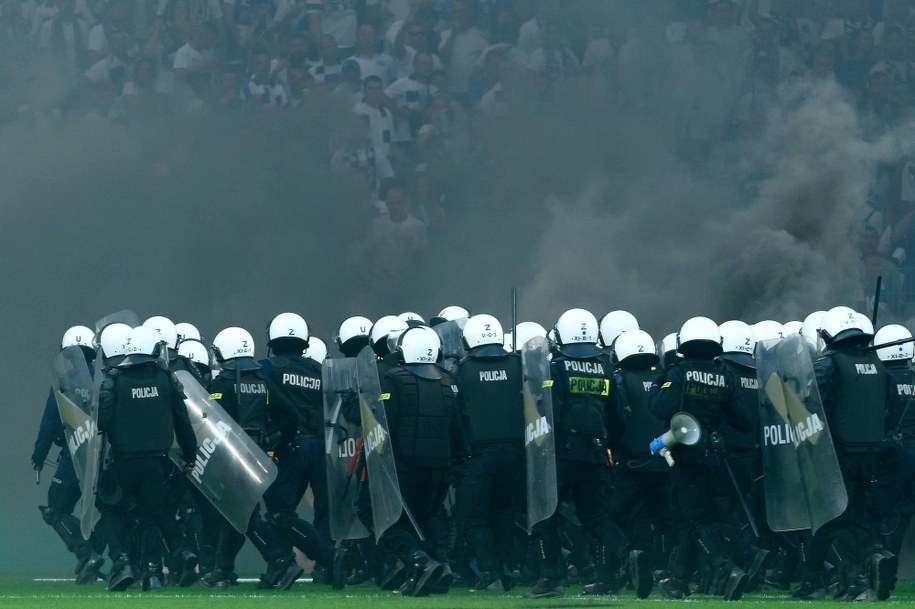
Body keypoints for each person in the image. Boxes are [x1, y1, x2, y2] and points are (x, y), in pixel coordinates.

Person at [526, 308, 651, 599]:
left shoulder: (555, 368)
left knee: (546, 517)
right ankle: (629, 553)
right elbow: (618, 418)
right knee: (596, 517)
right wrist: (611, 449)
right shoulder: (606, 368)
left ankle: (549, 580)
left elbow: (549, 414)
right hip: (595, 453)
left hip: (560, 455)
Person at [650, 316, 759, 601]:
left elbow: (659, 407)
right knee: (711, 515)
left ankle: (727, 568)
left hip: (686, 457)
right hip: (716, 456)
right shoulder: (726, 375)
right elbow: (744, 421)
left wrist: (661, 379)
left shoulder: (678, 372)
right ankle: (678, 580)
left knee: (693, 519)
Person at [201, 326, 318, 591]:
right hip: (259, 455)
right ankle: (224, 569)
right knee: (235, 515)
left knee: (245, 517)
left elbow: (211, 421)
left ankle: (281, 560)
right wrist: (277, 440)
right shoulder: (263, 381)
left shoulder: (222, 382)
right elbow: (290, 416)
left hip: (231, 457)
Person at [793, 306, 890, 601]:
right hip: (870, 454)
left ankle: (857, 578)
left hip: (837, 455)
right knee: (845, 519)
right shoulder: (876, 363)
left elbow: (811, 403)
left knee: (835, 519)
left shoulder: (831, 362)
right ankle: (814, 581)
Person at [96, 325, 198, 592]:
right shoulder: (166, 379)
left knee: (111, 510)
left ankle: (122, 563)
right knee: (151, 516)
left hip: (123, 461)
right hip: (157, 462)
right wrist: (190, 454)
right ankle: (153, 573)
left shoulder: (114, 381)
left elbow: (101, 423)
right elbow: (182, 420)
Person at [378, 325, 467, 596]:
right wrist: (461, 459)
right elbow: (457, 428)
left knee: (391, 521)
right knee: (429, 516)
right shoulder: (446, 380)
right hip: (440, 467)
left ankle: (419, 562)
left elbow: (385, 423)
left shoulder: (393, 379)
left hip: (405, 466)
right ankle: (441, 567)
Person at [258, 312, 345, 588]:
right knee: (323, 510)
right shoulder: (320, 370)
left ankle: (322, 559)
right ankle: (321, 569)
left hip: (288, 448)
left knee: (280, 512)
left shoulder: (268, 368)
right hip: (320, 447)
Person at [453, 314, 523, 592]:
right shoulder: (518, 366)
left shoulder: (463, 371)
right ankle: (507, 569)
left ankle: (489, 572)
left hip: (479, 455)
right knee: (503, 512)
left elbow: (457, 416)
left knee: (473, 517)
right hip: (516, 454)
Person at [34, 325, 105, 585]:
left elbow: (51, 421)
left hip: (75, 452)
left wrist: (39, 453)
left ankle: (88, 553)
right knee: (112, 511)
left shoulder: (64, 382)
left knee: (56, 508)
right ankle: (122, 560)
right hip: (108, 455)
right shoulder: (106, 377)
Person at [866, 323, 910, 600]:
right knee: (903, 515)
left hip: (892, 456)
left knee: (874, 515)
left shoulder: (882, 381)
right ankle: (890, 569)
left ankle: (879, 568)